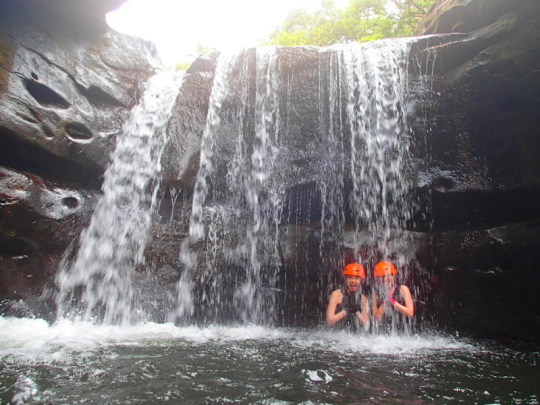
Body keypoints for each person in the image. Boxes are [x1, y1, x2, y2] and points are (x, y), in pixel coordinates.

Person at [326, 263, 369, 330]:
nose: (353, 281)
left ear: (361, 280)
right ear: (345, 279)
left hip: (354, 336)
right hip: (337, 333)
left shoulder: (363, 298)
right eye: (350, 277)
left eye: (357, 278)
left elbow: (366, 324)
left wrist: (356, 311)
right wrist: (345, 310)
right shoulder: (336, 294)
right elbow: (329, 321)